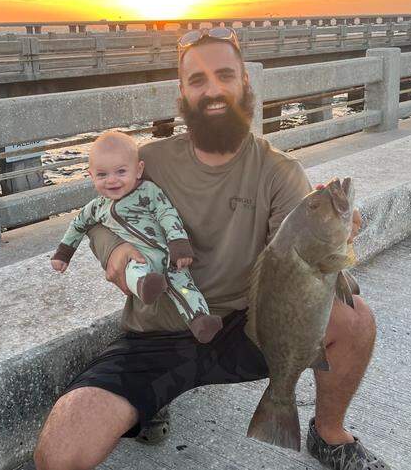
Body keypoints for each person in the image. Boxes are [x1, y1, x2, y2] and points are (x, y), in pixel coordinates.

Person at [33, 27, 388, 470]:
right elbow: (101, 214)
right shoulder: (150, 161)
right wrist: (115, 252)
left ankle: (329, 435)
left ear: (245, 84)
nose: (213, 89)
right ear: (181, 93)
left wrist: (336, 236)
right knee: (60, 454)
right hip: (158, 331)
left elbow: (295, 260)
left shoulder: (279, 171)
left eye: (225, 75)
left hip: (247, 325)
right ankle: (152, 399)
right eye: (198, 80)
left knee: (355, 317)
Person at [50, 130, 223, 343]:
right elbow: (78, 225)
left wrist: (179, 243)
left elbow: (167, 213)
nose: (112, 181)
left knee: (186, 288)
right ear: (91, 175)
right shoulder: (96, 207)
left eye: (121, 172)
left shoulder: (148, 191)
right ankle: (145, 286)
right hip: (140, 258)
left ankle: (200, 320)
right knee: (133, 268)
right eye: (102, 175)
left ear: (138, 169)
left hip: (169, 256)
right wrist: (64, 253)